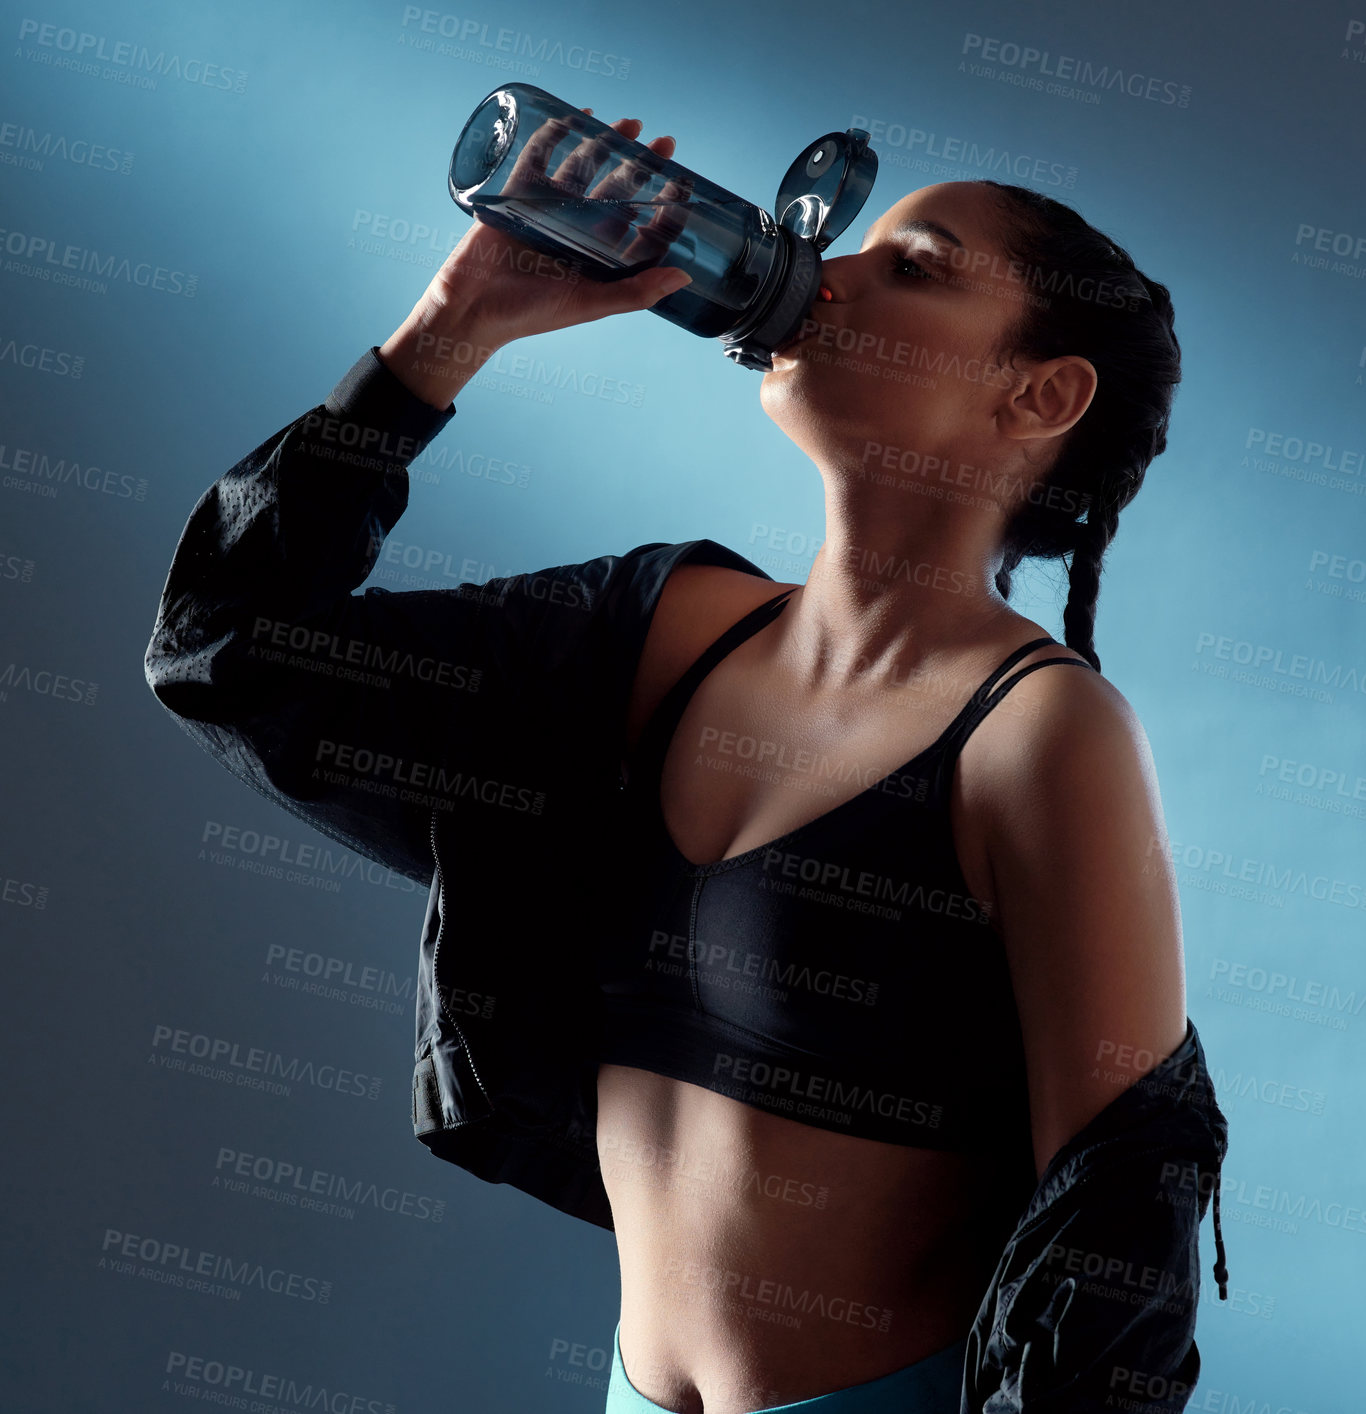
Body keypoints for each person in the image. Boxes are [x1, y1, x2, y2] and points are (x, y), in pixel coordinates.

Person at [144, 112, 1229, 1414]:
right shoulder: (653, 636)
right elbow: (230, 651)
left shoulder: (1042, 735)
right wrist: (453, 328)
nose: (825, 270)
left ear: (1038, 394)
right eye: (856, 245)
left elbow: (1115, 1234)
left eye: (915, 266)